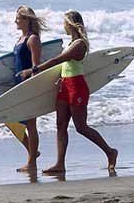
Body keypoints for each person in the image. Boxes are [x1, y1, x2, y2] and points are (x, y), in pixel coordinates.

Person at [19, 10, 118, 173]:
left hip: (76, 86)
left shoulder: (80, 44)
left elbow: (58, 60)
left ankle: (110, 152)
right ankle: (60, 164)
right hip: (64, 85)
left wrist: (33, 70)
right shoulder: (71, 43)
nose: (63, 26)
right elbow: (65, 66)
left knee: (81, 127)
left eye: (64, 22)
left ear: (70, 24)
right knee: (60, 125)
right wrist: (60, 78)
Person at [13, 5, 47, 172]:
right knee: (9, 119)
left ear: (26, 20)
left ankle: (32, 162)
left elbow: (37, 66)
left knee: (31, 125)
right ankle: (33, 153)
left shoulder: (32, 39)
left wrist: (32, 89)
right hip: (17, 87)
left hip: (28, 87)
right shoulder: (20, 39)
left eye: (18, 18)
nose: (15, 20)